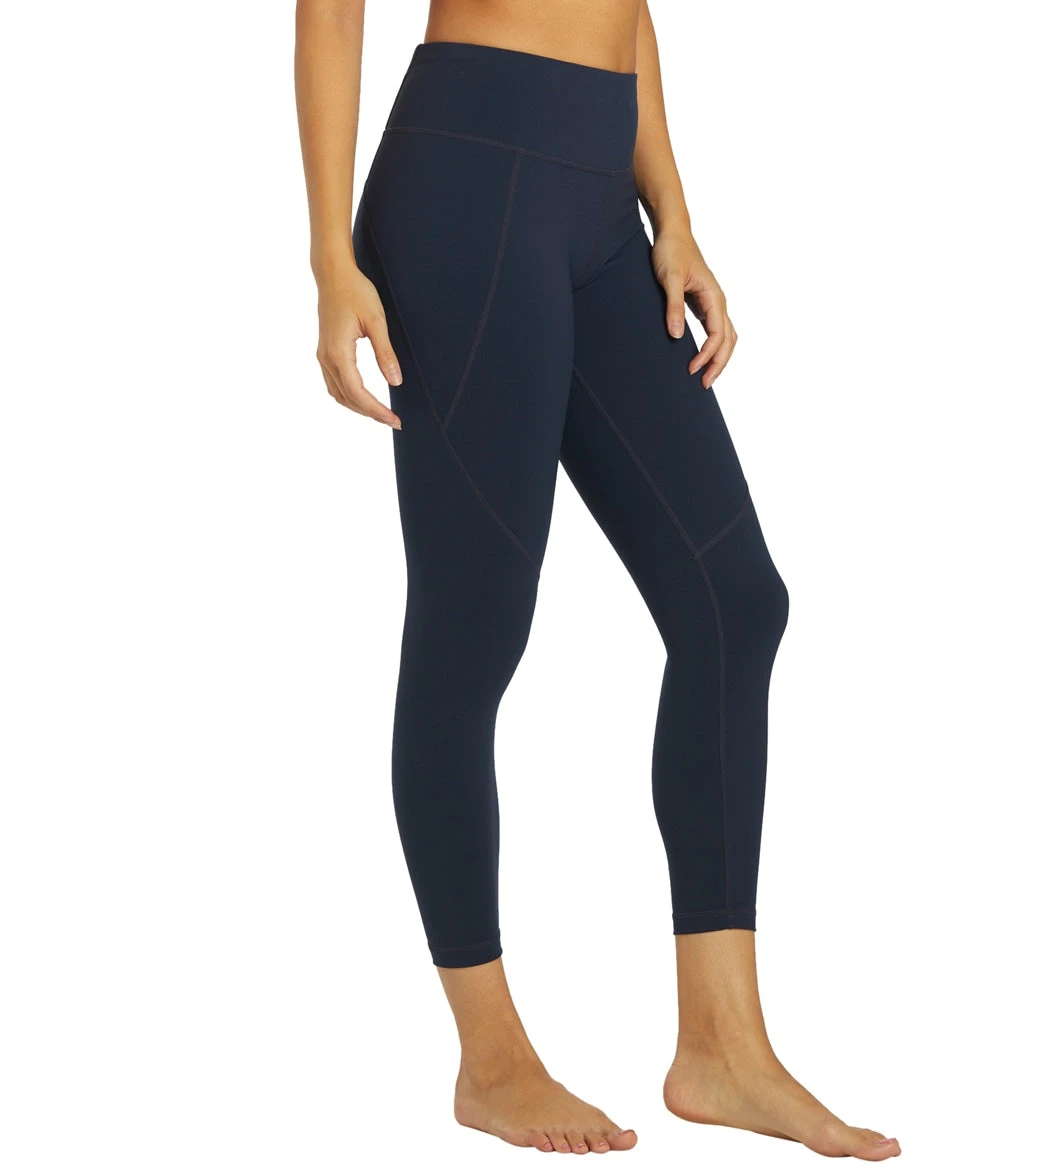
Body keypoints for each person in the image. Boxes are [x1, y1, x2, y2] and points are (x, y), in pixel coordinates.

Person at [294, 0, 900, 1160]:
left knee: (734, 603)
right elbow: (331, 9)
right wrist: (330, 255)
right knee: (474, 631)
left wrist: (675, 214)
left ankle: (723, 1049)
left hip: (601, 196)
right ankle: (491, 1058)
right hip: (468, 177)